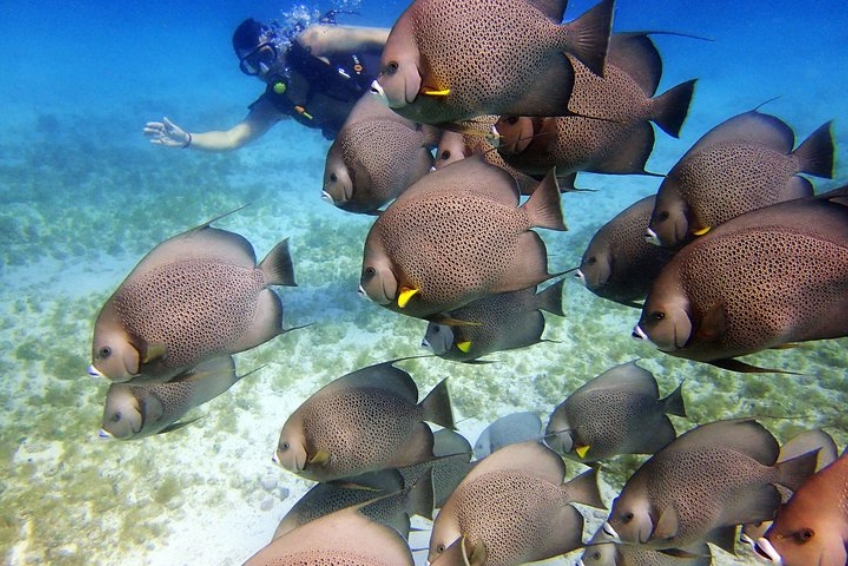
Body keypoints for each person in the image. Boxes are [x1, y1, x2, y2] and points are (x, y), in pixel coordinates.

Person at [144, 14, 389, 150]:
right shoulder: (278, 101)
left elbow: (390, 37)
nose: (264, 69)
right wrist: (188, 139)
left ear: (277, 44)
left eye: (266, 56)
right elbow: (232, 138)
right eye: (252, 65)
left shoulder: (316, 41)